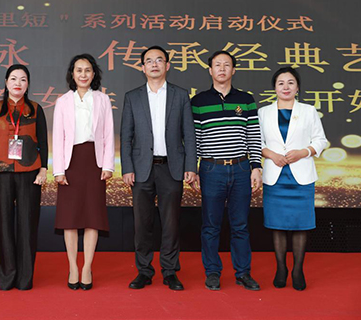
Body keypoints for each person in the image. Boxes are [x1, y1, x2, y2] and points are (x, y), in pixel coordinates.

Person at [121, 45, 197, 291]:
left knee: (171, 223)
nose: (154, 64)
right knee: (142, 224)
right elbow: (126, 136)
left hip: (171, 168)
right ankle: (144, 271)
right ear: (142, 67)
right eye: (149, 61)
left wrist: (190, 166)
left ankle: (170, 271)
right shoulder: (132, 96)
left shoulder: (180, 95)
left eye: (159, 60)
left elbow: (189, 134)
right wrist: (127, 167)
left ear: (167, 65)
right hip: (141, 169)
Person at [191, 50, 263, 291]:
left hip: (241, 168)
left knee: (240, 225)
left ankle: (243, 273)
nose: (222, 69)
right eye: (217, 65)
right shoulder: (198, 101)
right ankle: (212, 272)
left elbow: (253, 135)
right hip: (212, 169)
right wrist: (193, 170)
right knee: (211, 225)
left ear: (234, 70)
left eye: (226, 65)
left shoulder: (246, 99)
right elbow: (194, 139)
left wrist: (256, 167)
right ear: (210, 70)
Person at [258, 67, 327, 291]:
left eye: (290, 83)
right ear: (274, 88)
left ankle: (298, 270)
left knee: (300, 225)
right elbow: (257, 142)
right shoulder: (263, 112)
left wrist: (303, 152)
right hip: (275, 176)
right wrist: (272, 155)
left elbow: (321, 141)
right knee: (277, 225)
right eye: (281, 83)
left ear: (297, 88)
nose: (285, 87)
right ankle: (281, 268)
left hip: (301, 176)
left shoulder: (308, 110)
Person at [0, 64, 48, 291]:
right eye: (13, 78)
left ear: (28, 84)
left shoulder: (36, 109)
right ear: (6, 82)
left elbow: (43, 141)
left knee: (27, 225)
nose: (17, 83)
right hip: (0, 173)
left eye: (22, 79)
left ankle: (24, 278)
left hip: (30, 174)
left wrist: (43, 169)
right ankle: (5, 276)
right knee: (2, 224)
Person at [53, 53, 114, 291]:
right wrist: (59, 170)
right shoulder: (63, 101)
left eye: (87, 70)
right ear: (72, 74)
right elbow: (58, 137)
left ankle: (87, 267)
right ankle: (72, 267)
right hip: (71, 162)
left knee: (92, 217)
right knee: (69, 218)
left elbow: (108, 134)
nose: (83, 74)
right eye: (79, 70)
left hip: (94, 161)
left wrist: (107, 165)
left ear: (94, 74)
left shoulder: (102, 99)